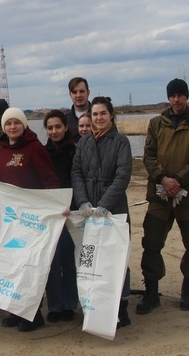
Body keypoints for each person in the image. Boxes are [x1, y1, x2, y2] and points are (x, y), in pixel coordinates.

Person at [137, 78, 189, 314]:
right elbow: (148, 155)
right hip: (159, 196)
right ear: (168, 98)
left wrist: (178, 180)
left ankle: (187, 290)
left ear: (186, 97)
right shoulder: (157, 123)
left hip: (188, 197)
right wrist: (163, 179)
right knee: (151, 243)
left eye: (180, 95)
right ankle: (151, 292)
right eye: (172, 96)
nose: (176, 100)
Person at [0, 108, 61, 332]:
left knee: (30, 265)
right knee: (11, 264)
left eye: (16, 123)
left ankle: (33, 313)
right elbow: (0, 179)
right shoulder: (0, 150)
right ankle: (15, 309)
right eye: (8, 123)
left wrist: (56, 207)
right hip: (9, 219)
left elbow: (50, 181)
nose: (13, 127)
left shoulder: (35, 148)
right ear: (4, 127)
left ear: (24, 125)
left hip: (32, 217)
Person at [71, 96, 132, 329]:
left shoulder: (121, 142)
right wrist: (83, 201)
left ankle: (122, 307)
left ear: (111, 115)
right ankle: (93, 306)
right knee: (90, 260)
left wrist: (106, 203)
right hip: (88, 212)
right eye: (94, 114)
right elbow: (76, 172)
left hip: (113, 210)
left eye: (102, 114)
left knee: (117, 261)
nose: (98, 118)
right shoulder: (84, 143)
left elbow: (123, 175)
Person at [42, 109, 79, 323]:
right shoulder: (42, 153)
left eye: (58, 127)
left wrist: (73, 206)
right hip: (50, 214)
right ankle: (55, 305)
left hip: (71, 213)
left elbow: (78, 181)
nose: (54, 131)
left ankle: (70, 304)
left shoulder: (76, 152)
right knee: (52, 261)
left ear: (66, 127)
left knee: (69, 261)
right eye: (50, 128)